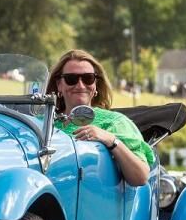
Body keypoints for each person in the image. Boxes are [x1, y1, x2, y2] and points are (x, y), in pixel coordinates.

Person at [44, 49, 154, 187]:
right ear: (59, 84)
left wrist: (110, 140)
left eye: (88, 78)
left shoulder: (115, 122)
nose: (80, 85)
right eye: (71, 79)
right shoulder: (42, 121)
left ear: (95, 84)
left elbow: (141, 177)